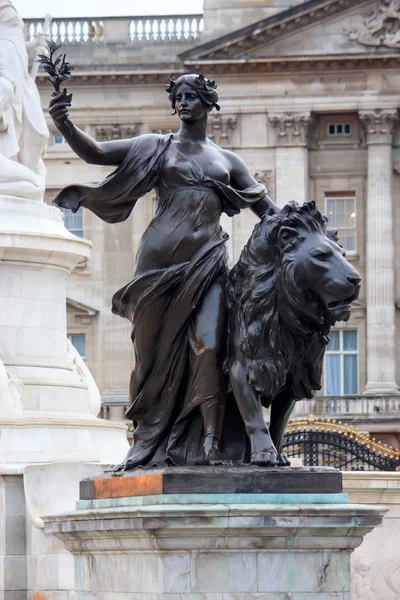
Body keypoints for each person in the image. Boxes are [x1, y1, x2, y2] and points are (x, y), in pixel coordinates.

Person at [50, 73, 279, 470]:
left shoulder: (228, 161)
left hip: (207, 265)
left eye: (193, 96)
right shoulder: (155, 147)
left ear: (208, 103)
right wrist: (65, 124)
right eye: (179, 97)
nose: (185, 103)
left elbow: (271, 214)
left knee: (209, 346)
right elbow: (98, 153)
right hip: (157, 268)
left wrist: (308, 232)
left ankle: (209, 441)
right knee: (149, 357)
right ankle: (144, 437)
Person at [0, 0, 48, 199]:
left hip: (17, 60)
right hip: (5, 59)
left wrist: (33, 45)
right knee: (11, 115)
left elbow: (13, 36)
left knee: (37, 132)